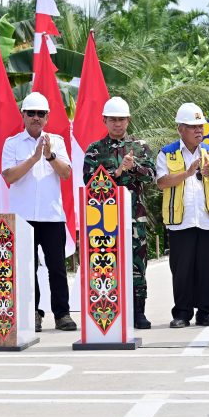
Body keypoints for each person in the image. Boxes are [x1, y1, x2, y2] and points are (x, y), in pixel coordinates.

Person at [1, 92, 76, 332]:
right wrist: (34, 159)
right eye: (31, 113)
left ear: (47, 117)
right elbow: (9, 176)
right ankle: (32, 312)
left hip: (51, 216)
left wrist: (49, 156)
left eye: (40, 114)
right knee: (26, 267)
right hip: (23, 217)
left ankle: (62, 314)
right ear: (23, 115)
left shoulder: (57, 142)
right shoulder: (12, 143)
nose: (35, 118)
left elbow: (66, 173)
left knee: (57, 267)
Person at [83, 96, 156, 329]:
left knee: (138, 263)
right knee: (107, 264)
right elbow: (89, 182)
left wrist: (134, 167)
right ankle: (108, 310)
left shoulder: (140, 146)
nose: (117, 124)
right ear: (104, 120)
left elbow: (153, 176)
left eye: (122, 120)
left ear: (128, 120)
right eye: (113, 120)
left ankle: (138, 312)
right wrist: (117, 172)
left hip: (135, 215)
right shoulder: (95, 150)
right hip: (105, 219)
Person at [156, 103, 209, 328]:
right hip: (181, 221)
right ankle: (182, 313)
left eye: (201, 126)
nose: (199, 130)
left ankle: (204, 312)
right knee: (181, 270)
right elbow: (161, 182)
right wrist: (187, 173)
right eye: (193, 126)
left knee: (206, 268)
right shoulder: (167, 153)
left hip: (207, 220)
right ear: (180, 129)